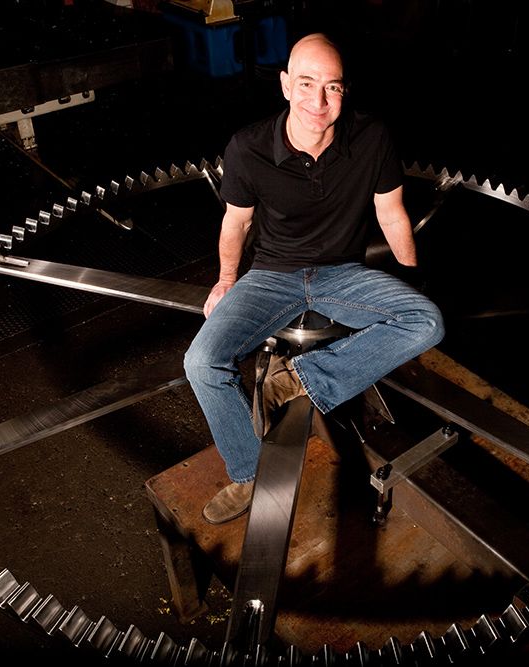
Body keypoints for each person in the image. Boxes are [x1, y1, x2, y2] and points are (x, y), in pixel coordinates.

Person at [183, 33, 444, 524]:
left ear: (345, 92)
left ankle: (298, 379)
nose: (318, 102)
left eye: (332, 88)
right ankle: (247, 473)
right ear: (284, 85)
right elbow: (236, 223)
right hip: (271, 276)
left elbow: (392, 215)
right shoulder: (249, 148)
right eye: (306, 84)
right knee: (202, 362)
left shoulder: (371, 138)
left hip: (342, 273)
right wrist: (224, 282)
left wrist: (412, 277)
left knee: (426, 322)